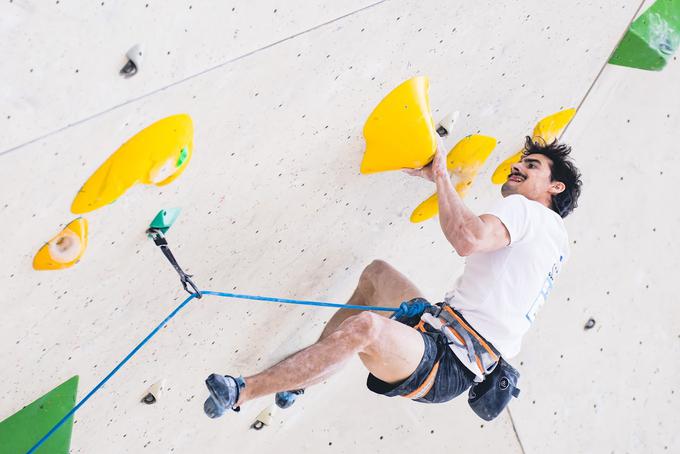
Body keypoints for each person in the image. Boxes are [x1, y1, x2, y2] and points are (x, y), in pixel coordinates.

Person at [203, 136, 583, 417]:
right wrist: (440, 181)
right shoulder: (554, 239)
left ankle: (241, 391)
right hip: (442, 330)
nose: (518, 167)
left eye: (532, 166)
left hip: (447, 361)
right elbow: (474, 234)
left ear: (555, 187)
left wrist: (442, 176)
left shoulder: (529, 212)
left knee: (367, 328)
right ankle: (301, 377)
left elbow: (468, 238)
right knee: (376, 276)